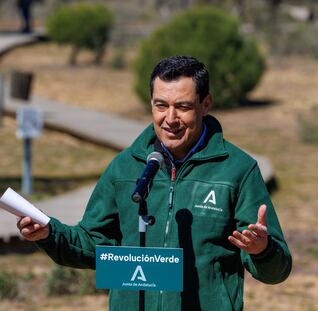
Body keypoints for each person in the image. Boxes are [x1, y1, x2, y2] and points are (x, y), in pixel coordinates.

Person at [17, 56, 292, 310]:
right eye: (161, 105)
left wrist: (262, 250)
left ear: (205, 104)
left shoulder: (237, 170)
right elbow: (93, 244)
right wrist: (50, 233)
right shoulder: (125, 167)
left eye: (182, 107)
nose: (170, 119)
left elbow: (277, 271)